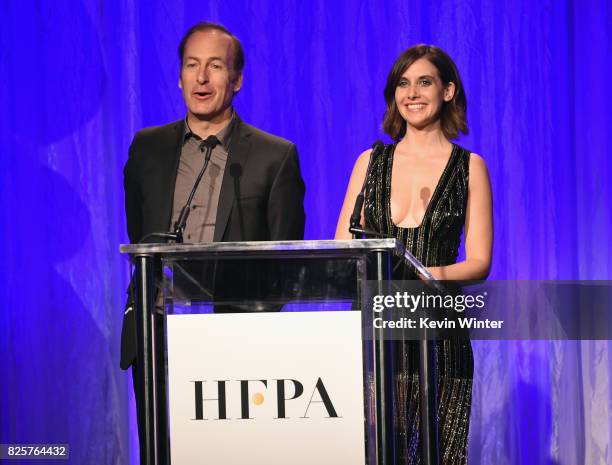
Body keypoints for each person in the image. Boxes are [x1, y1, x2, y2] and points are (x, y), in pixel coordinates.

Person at [120, 21, 306, 461]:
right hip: (158, 329)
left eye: (215, 66)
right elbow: (137, 232)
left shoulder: (273, 156)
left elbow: (285, 256)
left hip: (237, 341)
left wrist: (248, 328)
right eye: (192, 65)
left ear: (237, 80)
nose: (201, 78)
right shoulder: (146, 148)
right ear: (181, 75)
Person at [336, 45, 493, 464]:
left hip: (440, 336)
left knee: (438, 455)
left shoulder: (469, 166)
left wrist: (424, 274)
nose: (412, 93)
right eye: (403, 83)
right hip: (378, 334)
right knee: (377, 452)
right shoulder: (370, 162)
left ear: (447, 91)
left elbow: (479, 261)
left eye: (424, 81)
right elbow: (343, 249)